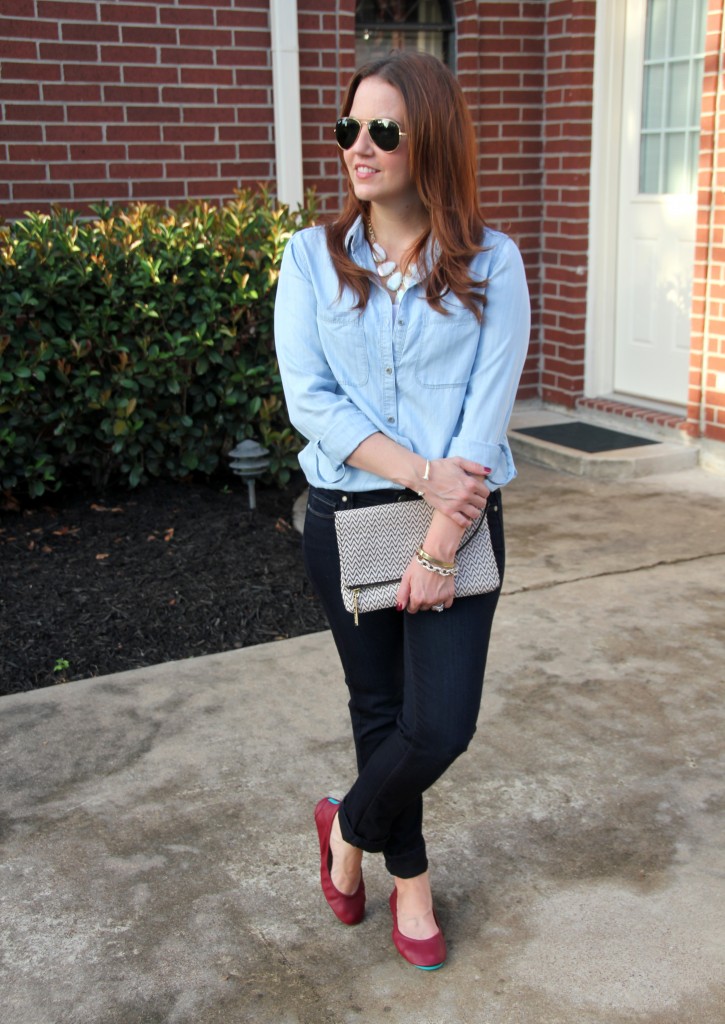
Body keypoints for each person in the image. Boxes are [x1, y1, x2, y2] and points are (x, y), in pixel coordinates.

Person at [274, 50, 530, 970]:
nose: (359, 146)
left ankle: (346, 828)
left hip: (455, 525)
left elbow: (484, 414)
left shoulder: (492, 261)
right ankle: (409, 885)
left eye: (384, 129)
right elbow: (312, 402)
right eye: (349, 128)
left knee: (440, 726)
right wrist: (424, 477)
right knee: (379, 709)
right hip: (346, 517)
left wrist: (436, 542)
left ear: (431, 138)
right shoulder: (310, 258)